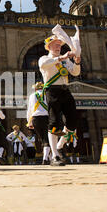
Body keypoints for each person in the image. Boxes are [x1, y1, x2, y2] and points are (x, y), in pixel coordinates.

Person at [39, 25, 81, 166]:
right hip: (52, 91)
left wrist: (76, 62)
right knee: (54, 122)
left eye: (59, 45)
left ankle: (60, 144)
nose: (58, 47)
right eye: (55, 45)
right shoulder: (44, 58)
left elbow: (75, 72)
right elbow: (46, 65)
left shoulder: (64, 60)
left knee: (73, 119)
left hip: (65, 90)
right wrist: (61, 57)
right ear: (49, 47)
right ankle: (55, 155)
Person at [27, 82, 52, 165]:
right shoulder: (47, 94)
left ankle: (48, 157)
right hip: (46, 117)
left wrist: (29, 122)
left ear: (35, 89)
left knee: (42, 139)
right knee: (46, 139)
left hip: (35, 119)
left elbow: (30, 110)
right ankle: (45, 159)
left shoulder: (31, 96)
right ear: (43, 88)